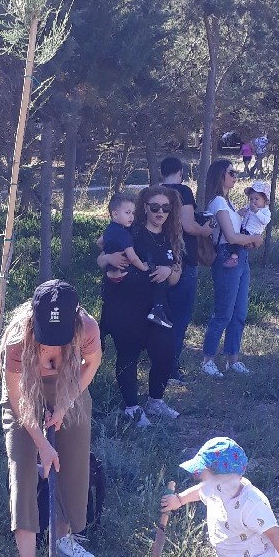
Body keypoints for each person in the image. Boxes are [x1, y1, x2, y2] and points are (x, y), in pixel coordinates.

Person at [0, 280, 103, 557]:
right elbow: (18, 401)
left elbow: (92, 364)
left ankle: (63, 537)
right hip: (25, 394)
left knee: (72, 458)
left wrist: (66, 403)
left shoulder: (87, 328)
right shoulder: (18, 340)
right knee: (23, 467)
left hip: (67, 387)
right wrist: (41, 445)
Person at [96, 186, 183, 427]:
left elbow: (176, 276)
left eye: (166, 208)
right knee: (128, 355)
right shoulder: (130, 229)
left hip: (158, 307)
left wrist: (170, 270)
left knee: (165, 354)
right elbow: (101, 252)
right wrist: (107, 259)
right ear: (144, 207)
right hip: (126, 305)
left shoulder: (170, 235)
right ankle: (132, 407)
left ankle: (155, 400)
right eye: (155, 207)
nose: (160, 212)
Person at [200, 160, 264, 378]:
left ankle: (232, 359)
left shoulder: (228, 202)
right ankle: (208, 359)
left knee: (239, 312)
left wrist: (250, 239)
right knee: (224, 312)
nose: (235, 176)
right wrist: (254, 238)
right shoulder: (218, 202)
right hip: (227, 256)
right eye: (231, 172)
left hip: (241, 257)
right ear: (220, 176)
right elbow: (231, 236)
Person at [159, 156, 214, 385]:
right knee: (180, 318)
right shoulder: (183, 192)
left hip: (160, 260)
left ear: (162, 173)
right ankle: (172, 368)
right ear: (180, 172)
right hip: (184, 261)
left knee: (162, 315)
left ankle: (158, 363)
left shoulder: (155, 192)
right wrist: (207, 229)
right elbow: (189, 227)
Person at [102, 191, 173, 328]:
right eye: (127, 213)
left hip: (113, 273)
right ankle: (157, 309)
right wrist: (143, 266)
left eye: (132, 213)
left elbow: (100, 243)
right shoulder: (125, 234)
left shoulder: (110, 230)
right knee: (152, 270)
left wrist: (108, 255)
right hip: (125, 278)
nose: (131, 217)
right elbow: (133, 257)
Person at [220, 180, 271, 268]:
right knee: (236, 237)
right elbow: (245, 215)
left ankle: (234, 257)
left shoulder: (265, 211)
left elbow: (265, 221)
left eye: (257, 199)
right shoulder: (249, 207)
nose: (253, 201)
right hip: (243, 227)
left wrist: (257, 212)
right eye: (251, 199)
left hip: (252, 231)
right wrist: (241, 213)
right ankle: (232, 253)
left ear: (265, 200)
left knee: (240, 241)